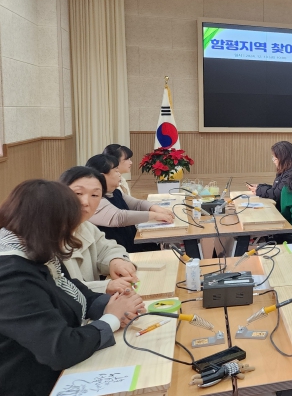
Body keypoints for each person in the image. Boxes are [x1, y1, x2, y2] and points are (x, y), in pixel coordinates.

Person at [0, 180, 145, 396]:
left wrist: (116, 303)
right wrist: (111, 319)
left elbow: (73, 291)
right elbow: (59, 349)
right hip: (31, 383)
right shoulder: (11, 277)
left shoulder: (33, 250)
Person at [60, 166, 139, 294]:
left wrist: (116, 261)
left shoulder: (85, 226)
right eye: (78, 193)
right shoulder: (44, 235)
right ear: (59, 193)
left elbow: (107, 248)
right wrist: (105, 287)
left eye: (95, 195)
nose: (85, 202)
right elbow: (58, 290)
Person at [86, 154, 173, 252]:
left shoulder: (115, 192)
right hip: (118, 253)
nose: (119, 174)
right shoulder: (95, 199)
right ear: (102, 176)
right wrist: (154, 215)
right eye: (116, 171)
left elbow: (137, 204)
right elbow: (119, 217)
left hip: (133, 244)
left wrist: (156, 208)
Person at [246, 141, 292, 208]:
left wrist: (258, 190)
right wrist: (259, 187)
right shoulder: (284, 171)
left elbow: (277, 194)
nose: (274, 161)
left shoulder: (291, 173)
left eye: (275, 158)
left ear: (283, 159)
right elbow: (276, 189)